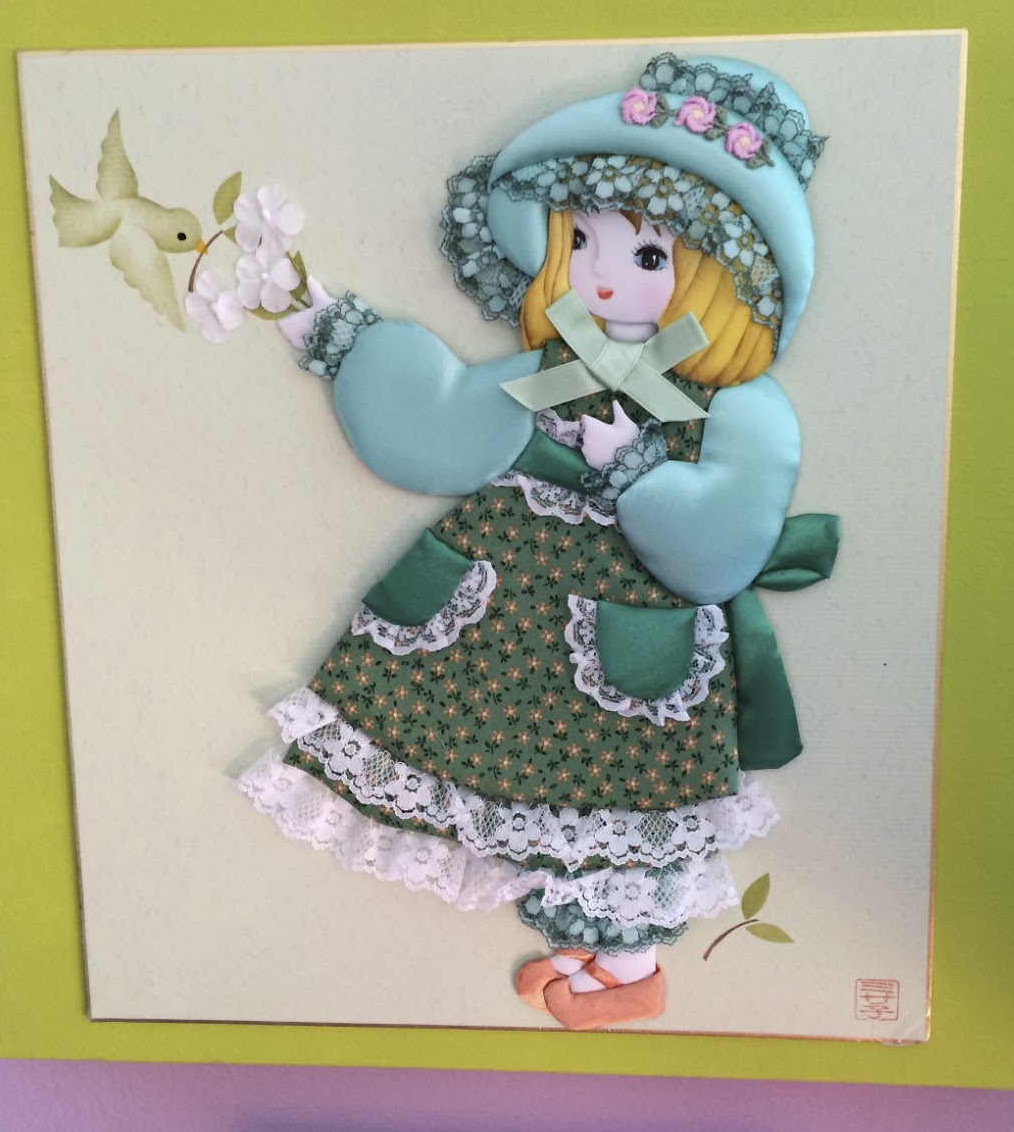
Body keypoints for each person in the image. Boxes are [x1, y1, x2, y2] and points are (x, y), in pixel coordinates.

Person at [237, 51, 838, 1030]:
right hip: (503, 619)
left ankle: (627, 968)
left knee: (615, 792)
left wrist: (636, 472)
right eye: (584, 240)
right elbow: (445, 420)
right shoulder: (557, 365)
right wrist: (339, 337)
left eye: (648, 258)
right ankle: (577, 953)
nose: (601, 274)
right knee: (502, 770)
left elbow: (727, 535)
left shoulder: (736, 407)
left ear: (717, 279)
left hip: (631, 629)